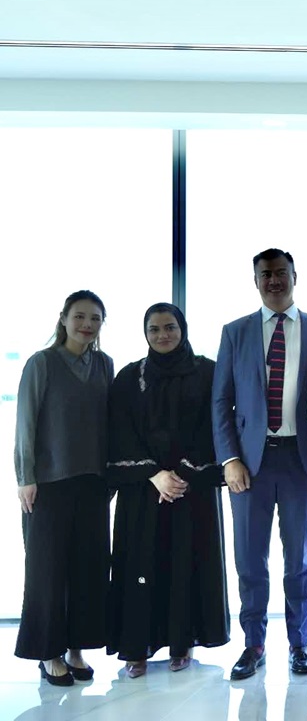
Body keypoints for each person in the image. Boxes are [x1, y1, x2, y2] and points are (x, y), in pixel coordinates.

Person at [213, 248, 307, 680]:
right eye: (265, 274)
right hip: (251, 463)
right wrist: (230, 458)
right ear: (255, 281)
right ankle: (253, 644)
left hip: (303, 462)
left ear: (294, 276)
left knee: (299, 558)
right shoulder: (236, 333)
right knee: (250, 559)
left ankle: (300, 644)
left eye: (280, 273)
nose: (273, 281)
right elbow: (221, 402)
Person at [107, 303, 230, 678]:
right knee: (141, 565)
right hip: (143, 492)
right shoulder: (129, 378)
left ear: (183, 329)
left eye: (170, 327)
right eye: (155, 329)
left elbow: (217, 425)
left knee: (187, 563)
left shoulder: (208, 372)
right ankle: (137, 646)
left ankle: (183, 643)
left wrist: (182, 473)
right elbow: (118, 431)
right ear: (145, 334)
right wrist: (155, 475)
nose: (163, 335)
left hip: (192, 490)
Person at [14, 290, 113, 686]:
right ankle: (49, 652)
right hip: (49, 485)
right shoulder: (42, 363)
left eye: (95, 319)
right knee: (47, 571)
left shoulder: (104, 364)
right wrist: (25, 477)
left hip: (94, 484)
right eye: (80, 316)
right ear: (64, 318)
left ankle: (76, 648)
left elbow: (110, 424)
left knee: (89, 569)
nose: (87, 325)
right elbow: (25, 422)